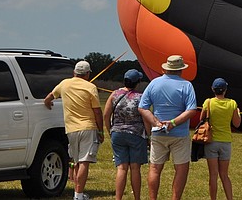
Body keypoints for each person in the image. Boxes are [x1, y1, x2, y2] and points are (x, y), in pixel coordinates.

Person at [138, 55, 199, 200]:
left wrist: (155, 122)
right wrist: (173, 123)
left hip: (158, 133)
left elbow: (142, 107)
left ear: (166, 68)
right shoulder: (186, 85)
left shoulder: (154, 83)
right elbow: (191, 110)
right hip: (179, 133)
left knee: (155, 168)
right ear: (181, 70)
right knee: (181, 168)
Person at [44, 60, 104, 200]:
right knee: (84, 161)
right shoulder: (90, 87)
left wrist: (48, 104)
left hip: (70, 129)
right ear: (88, 74)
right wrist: (100, 131)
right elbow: (97, 112)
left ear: (74, 73)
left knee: (75, 161)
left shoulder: (64, 83)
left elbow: (48, 98)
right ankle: (78, 195)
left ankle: (78, 192)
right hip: (88, 127)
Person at [104, 69, 150, 200]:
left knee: (121, 168)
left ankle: (118, 198)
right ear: (137, 82)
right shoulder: (140, 97)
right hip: (136, 134)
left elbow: (106, 115)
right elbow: (146, 118)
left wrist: (110, 130)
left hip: (117, 133)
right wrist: (148, 135)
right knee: (135, 168)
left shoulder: (114, 94)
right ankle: (137, 198)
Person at [200, 78, 241, 200]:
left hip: (211, 141)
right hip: (226, 142)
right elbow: (236, 124)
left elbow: (201, 119)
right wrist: (238, 114)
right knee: (224, 175)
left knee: (213, 175)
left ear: (213, 89)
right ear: (225, 90)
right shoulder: (232, 104)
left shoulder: (208, 102)